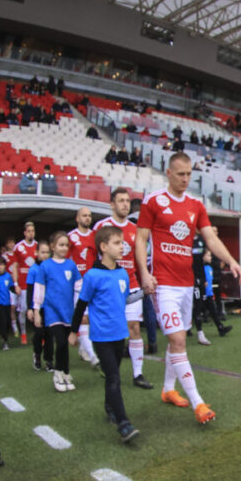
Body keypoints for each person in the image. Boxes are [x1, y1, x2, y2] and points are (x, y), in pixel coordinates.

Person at [135, 152, 241, 424]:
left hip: (186, 284)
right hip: (163, 284)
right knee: (178, 340)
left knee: (179, 338)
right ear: (169, 173)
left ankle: (168, 389)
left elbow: (210, 239)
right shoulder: (153, 201)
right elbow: (140, 239)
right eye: (180, 174)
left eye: (188, 175)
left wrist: (231, 260)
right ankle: (198, 403)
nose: (185, 179)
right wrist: (145, 273)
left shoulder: (196, 205)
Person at [70, 226, 140, 443]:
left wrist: (144, 294)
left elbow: (124, 299)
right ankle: (124, 424)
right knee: (114, 378)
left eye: (122, 243)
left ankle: (110, 407)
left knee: (113, 375)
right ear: (103, 247)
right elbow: (81, 305)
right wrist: (73, 331)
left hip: (120, 334)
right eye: (117, 243)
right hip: (101, 337)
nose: (122, 247)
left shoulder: (122, 273)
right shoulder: (92, 276)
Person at [94, 188, 153, 389]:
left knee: (134, 327)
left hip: (131, 285)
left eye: (127, 200)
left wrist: (144, 277)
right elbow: (94, 257)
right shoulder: (101, 227)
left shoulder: (136, 230)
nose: (125, 204)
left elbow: (140, 258)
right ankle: (108, 366)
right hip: (108, 289)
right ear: (112, 204)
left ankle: (138, 374)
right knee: (112, 331)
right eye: (121, 200)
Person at [33, 232, 81, 392]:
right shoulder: (45, 266)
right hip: (52, 311)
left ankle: (66, 373)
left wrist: (80, 308)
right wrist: (36, 310)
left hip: (68, 312)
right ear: (53, 246)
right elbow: (39, 288)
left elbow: (78, 288)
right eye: (61, 245)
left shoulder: (71, 265)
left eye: (66, 245)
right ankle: (58, 373)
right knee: (60, 341)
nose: (64, 248)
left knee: (65, 345)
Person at [68, 207, 99, 367]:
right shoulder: (71, 237)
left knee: (93, 318)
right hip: (78, 284)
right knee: (84, 318)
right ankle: (93, 356)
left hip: (94, 283)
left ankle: (83, 347)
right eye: (84, 215)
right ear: (77, 218)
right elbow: (66, 260)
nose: (87, 218)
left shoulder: (95, 236)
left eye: (89, 215)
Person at [193, 249, 232, 344]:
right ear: (203, 257)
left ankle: (220, 328)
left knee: (214, 312)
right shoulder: (199, 268)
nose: (210, 257)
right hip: (201, 294)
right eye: (208, 255)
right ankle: (192, 330)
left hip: (209, 294)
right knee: (197, 311)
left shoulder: (210, 268)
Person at [25, 242, 54, 371]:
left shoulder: (52, 267)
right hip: (37, 308)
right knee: (39, 333)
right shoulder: (33, 269)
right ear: (36, 253)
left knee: (49, 334)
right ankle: (37, 354)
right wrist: (30, 308)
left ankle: (49, 361)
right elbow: (30, 290)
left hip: (50, 307)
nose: (45, 255)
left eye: (47, 252)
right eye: (42, 252)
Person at [9, 221, 37, 345]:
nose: (31, 233)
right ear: (25, 233)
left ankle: (39, 334)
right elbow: (15, 267)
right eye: (29, 231)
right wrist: (16, 284)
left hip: (36, 284)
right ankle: (23, 333)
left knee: (38, 309)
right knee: (23, 310)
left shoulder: (38, 246)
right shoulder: (18, 247)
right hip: (24, 285)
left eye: (33, 231)